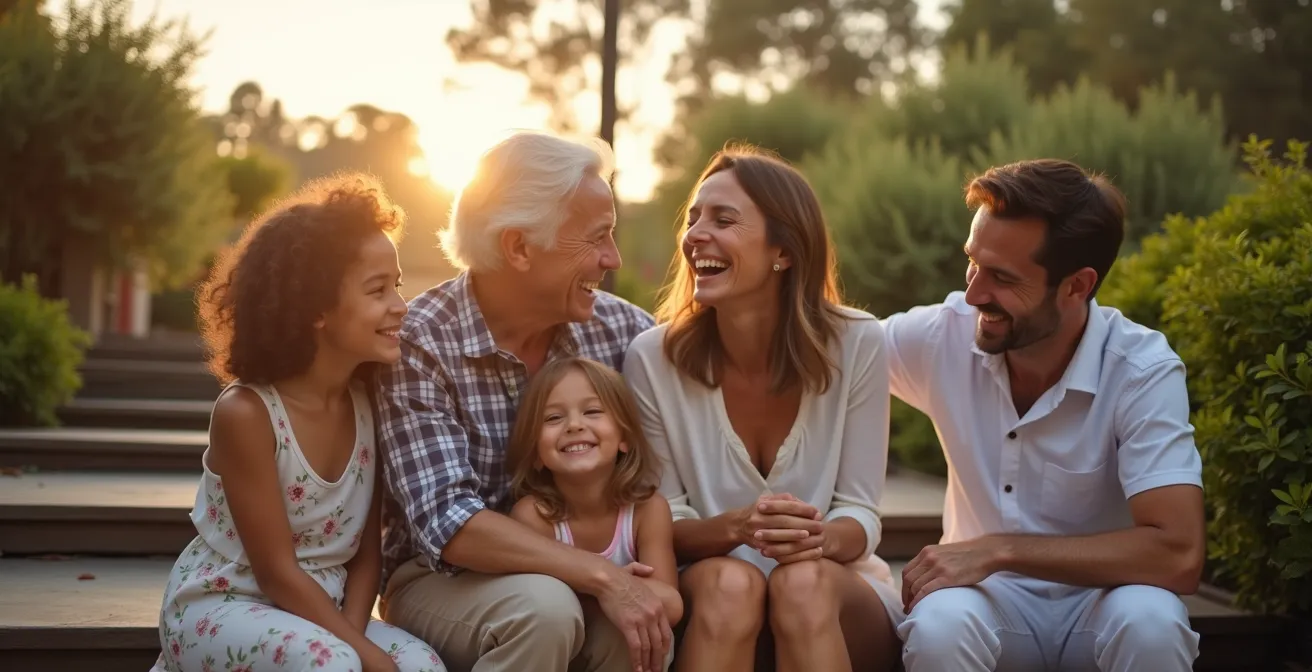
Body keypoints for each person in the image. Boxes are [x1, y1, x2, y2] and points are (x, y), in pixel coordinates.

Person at [881, 158, 1205, 671]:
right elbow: (826, 347)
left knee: (1152, 623)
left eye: (1002, 277)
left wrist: (1000, 549)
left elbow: (1178, 554)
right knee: (940, 624)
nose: (973, 293)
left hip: (1105, 599)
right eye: (973, 262)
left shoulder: (1141, 370)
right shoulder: (944, 333)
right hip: (981, 600)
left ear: (1076, 286)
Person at [373, 130, 668, 672]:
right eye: (596, 238)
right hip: (441, 580)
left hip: (578, 574)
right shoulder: (420, 342)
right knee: (546, 610)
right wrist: (602, 575)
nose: (613, 258)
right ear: (519, 247)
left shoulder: (626, 333)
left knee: (635, 624)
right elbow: (449, 522)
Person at [622, 144, 905, 672]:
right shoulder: (651, 358)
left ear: (785, 251)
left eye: (723, 219)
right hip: (713, 594)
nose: (695, 235)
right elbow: (662, 523)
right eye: (693, 218)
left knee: (801, 584)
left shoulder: (857, 342)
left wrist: (819, 538)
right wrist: (736, 528)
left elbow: (859, 511)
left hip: (835, 592)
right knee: (732, 583)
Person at [150, 175, 445, 672]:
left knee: (423, 666)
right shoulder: (247, 414)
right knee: (332, 665)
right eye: (378, 290)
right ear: (316, 310)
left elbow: (366, 557)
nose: (401, 305)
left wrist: (359, 642)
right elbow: (275, 572)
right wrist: (363, 656)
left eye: (396, 286)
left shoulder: (371, 404)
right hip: (225, 603)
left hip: (327, 613)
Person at [506, 357, 684, 669]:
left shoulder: (647, 511)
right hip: (559, 654)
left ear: (624, 437)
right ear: (535, 452)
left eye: (592, 411)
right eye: (553, 418)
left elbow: (670, 603)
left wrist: (606, 590)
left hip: (621, 652)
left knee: (645, 634)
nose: (574, 425)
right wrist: (609, 588)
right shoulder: (533, 517)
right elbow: (541, 609)